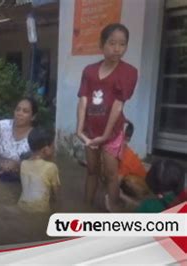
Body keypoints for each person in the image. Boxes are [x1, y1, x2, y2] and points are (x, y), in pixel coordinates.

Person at [76, 23, 138, 211]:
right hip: (90, 130)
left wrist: (105, 135)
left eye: (122, 44)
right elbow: (83, 100)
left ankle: (114, 213)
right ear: (101, 44)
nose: (117, 49)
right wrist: (79, 129)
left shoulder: (129, 72)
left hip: (113, 132)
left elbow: (118, 105)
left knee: (111, 174)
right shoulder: (89, 71)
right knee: (92, 170)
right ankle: (85, 209)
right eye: (112, 43)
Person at [18, 127, 60, 213]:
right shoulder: (51, 167)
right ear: (46, 149)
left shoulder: (23, 164)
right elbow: (55, 194)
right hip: (40, 209)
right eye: (53, 145)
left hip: (21, 206)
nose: (54, 147)